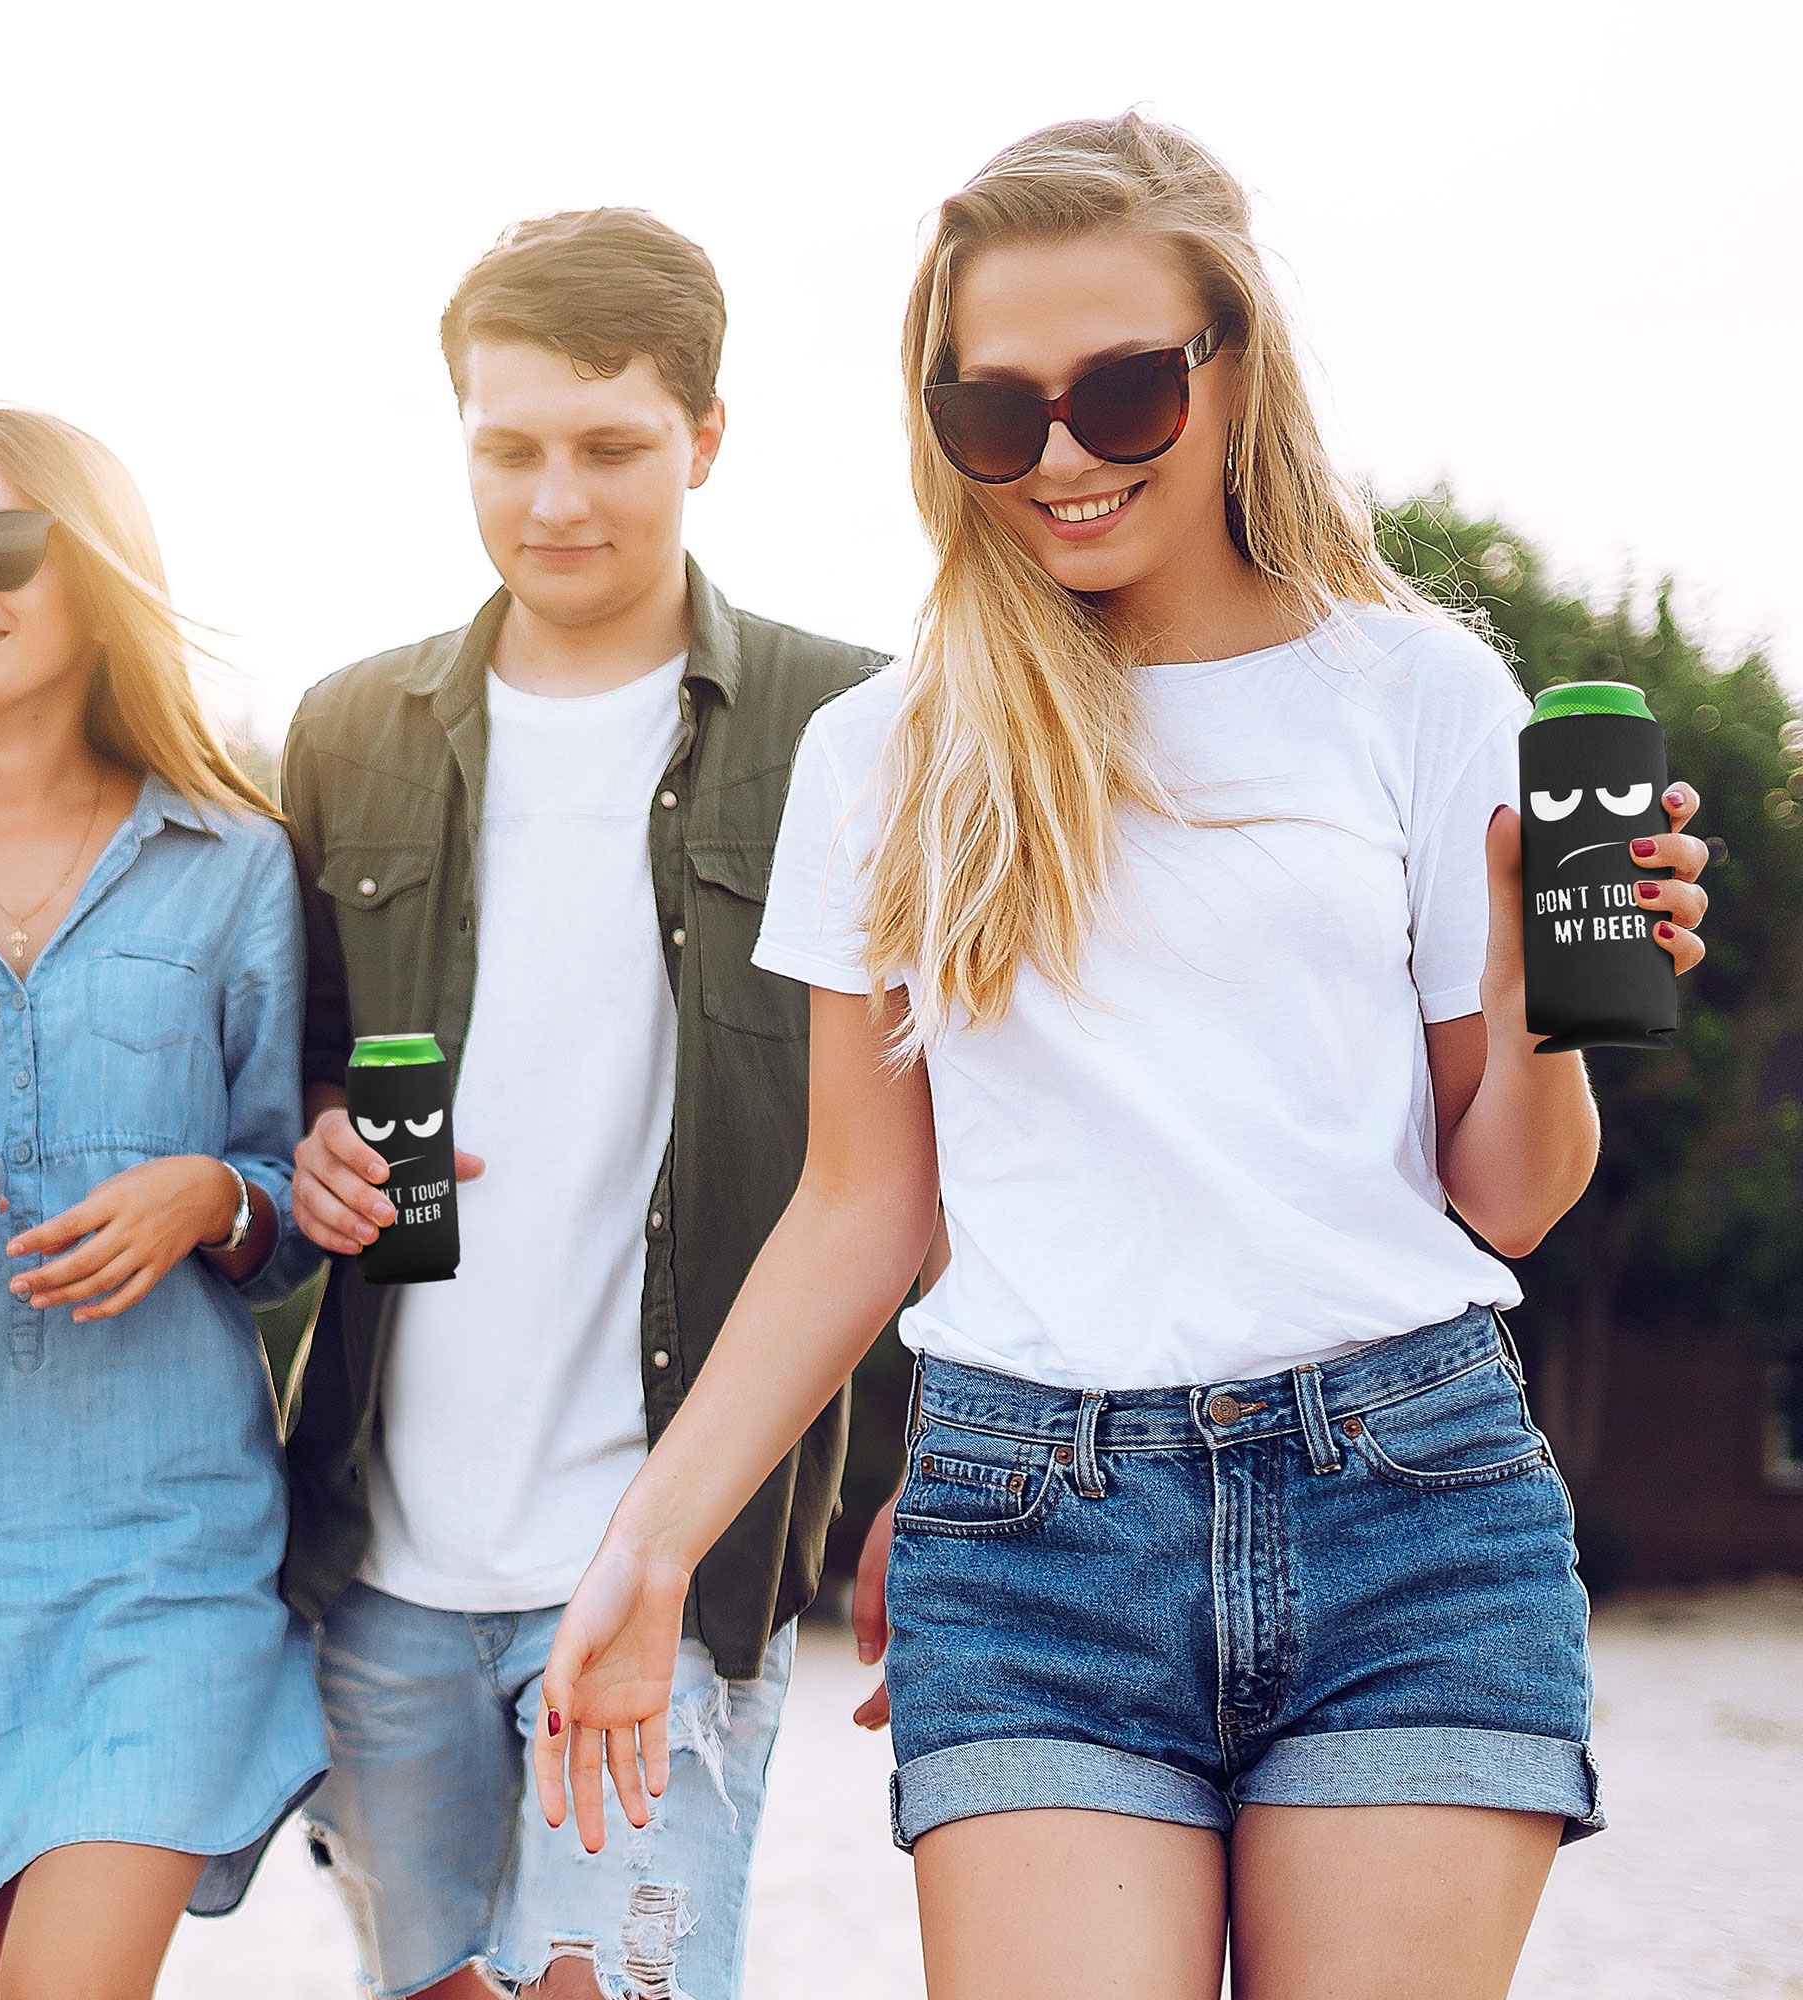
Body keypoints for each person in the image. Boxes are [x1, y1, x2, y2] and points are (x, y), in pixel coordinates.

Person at [530, 115, 1717, 2000]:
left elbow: (1507, 1199)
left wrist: (1539, 963)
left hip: (1411, 1502)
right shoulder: (886, 753)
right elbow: (860, 1202)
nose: (1064, 458)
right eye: (998, 415)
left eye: (1124, 391)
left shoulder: (1418, 695)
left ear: (1234, 370)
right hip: (1033, 1529)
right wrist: (649, 1548)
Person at [279, 208, 889, 2000]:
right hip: (384, 1557)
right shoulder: (344, 731)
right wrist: (313, 1142)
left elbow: (929, 1163)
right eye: (509, 447)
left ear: (706, 440)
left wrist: (912, 1491)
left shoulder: (851, 725)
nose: (557, 498)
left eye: (612, 448)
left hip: (676, 1554)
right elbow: (298, 1066)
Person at [0, 407, 326, 2000]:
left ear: (95, 582)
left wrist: (209, 1199)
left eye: (2, 543)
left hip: (160, 1559)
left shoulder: (234, 866)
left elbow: (290, 1218)